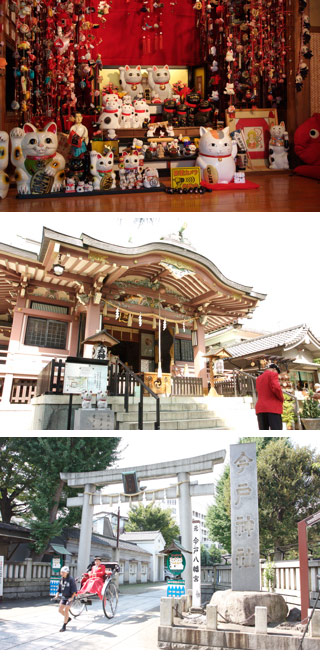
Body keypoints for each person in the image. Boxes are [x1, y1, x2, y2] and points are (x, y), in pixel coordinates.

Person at [255, 363, 284, 430]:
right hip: (273, 407)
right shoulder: (272, 374)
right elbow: (276, 388)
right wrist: (281, 398)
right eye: (277, 372)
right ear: (274, 369)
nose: (277, 374)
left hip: (260, 408)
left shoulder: (258, 378)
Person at [54, 565, 77, 632]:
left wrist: (71, 598)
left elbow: (74, 590)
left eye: (63, 572)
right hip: (64, 597)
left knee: (66, 609)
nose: (61, 573)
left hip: (70, 596)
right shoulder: (61, 579)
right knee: (60, 610)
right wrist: (56, 595)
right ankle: (68, 618)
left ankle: (64, 626)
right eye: (61, 572)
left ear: (67, 572)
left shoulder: (71, 579)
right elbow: (59, 589)